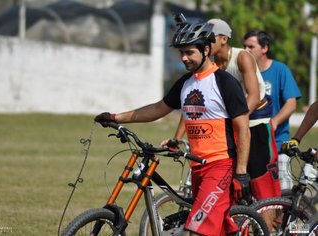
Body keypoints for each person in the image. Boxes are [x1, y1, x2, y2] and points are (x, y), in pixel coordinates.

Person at [95, 15, 251, 236]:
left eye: (189, 52)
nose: (184, 58)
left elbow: (243, 128)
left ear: (206, 50)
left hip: (220, 166)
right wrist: (116, 117)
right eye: (181, 53)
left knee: (197, 228)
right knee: (217, 226)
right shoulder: (185, 83)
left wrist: (242, 172)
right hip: (197, 167)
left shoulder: (225, 83)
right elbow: (158, 108)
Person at [171, 19, 281, 202]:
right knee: (232, 190)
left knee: (261, 186)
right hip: (231, 127)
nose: (206, 41)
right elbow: (193, 104)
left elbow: (253, 96)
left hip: (254, 123)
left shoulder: (242, 57)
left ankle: (267, 229)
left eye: (210, 38)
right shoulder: (206, 65)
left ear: (224, 38)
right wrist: (177, 137)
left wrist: (233, 119)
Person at [243, 30, 302, 190]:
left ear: (265, 48)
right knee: (255, 194)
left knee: (282, 194)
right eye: (244, 47)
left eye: (251, 47)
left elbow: (291, 103)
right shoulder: (244, 73)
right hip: (251, 143)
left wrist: (274, 122)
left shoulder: (280, 70)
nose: (246, 51)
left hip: (277, 142)